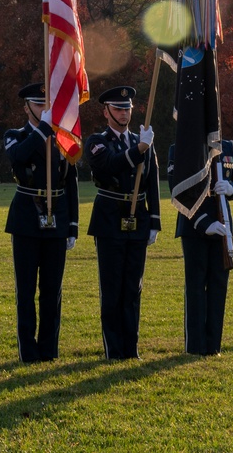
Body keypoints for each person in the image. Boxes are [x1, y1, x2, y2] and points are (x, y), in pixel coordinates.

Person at [2, 82, 79, 363]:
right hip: (26, 218)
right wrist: (43, 130)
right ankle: (28, 351)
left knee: (51, 290)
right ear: (26, 108)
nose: (43, 109)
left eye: (46, 105)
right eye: (37, 104)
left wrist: (73, 225)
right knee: (26, 289)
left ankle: (49, 349)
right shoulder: (15, 135)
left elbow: (70, 183)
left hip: (56, 217)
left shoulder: (63, 138)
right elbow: (17, 156)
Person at [85, 86, 160, 360]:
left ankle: (131, 348)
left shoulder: (141, 140)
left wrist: (154, 221)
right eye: (118, 108)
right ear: (106, 112)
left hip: (138, 219)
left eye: (127, 108)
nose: (124, 113)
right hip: (109, 219)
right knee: (112, 287)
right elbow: (110, 165)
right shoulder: (98, 140)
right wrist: (140, 149)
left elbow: (151, 181)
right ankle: (113, 350)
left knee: (133, 287)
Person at [168, 139, 233, 356]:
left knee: (218, 287)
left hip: (223, 227)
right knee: (195, 288)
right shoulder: (181, 147)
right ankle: (195, 346)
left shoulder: (229, 147)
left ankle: (214, 346)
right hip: (194, 227)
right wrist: (205, 223)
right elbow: (178, 192)